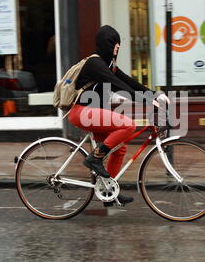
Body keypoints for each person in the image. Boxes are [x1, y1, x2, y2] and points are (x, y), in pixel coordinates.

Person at [68, 25, 169, 206]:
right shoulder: (95, 63)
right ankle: (94, 159)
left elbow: (127, 81)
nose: (118, 47)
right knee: (128, 125)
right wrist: (145, 101)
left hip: (94, 113)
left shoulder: (108, 65)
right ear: (105, 44)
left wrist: (154, 94)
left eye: (119, 43)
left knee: (119, 148)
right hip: (82, 112)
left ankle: (108, 190)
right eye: (114, 43)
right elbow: (117, 84)